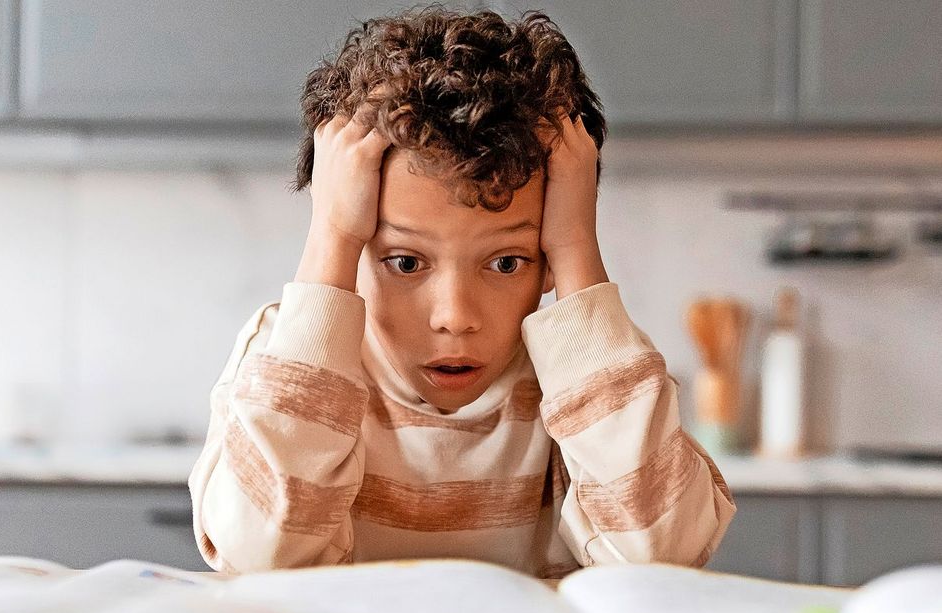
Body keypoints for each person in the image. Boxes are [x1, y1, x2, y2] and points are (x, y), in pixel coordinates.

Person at [188, 6, 736, 577]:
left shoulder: (590, 376)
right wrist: (330, 237)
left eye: (505, 261)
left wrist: (576, 248)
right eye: (405, 261)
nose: (455, 317)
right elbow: (257, 558)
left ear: (547, 258)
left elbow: (668, 557)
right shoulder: (290, 359)